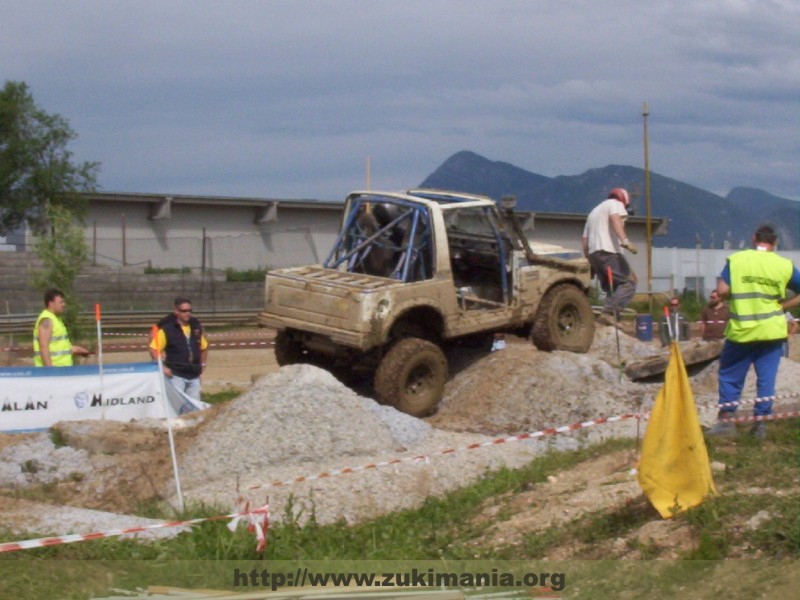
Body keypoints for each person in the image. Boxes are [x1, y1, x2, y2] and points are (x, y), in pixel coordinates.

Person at [708, 225, 800, 439]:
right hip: (771, 332)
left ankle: (727, 422)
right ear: (774, 242)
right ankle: (760, 425)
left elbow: (722, 290)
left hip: (742, 331)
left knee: (731, 376)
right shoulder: (784, 265)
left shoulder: (738, 260)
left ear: (753, 239)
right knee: (766, 378)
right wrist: (783, 306)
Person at [581, 188, 638, 324]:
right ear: (624, 201)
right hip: (609, 251)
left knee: (612, 290)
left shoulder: (593, 213)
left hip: (595, 254)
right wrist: (624, 240)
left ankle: (608, 323)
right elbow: (615, 219)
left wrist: (589, 261)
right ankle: (608, 313)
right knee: (629, 282)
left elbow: (584, 240)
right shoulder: (615, 204)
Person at [149, 297, 208, 401]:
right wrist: (162, 367)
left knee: (195, 407)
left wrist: (203, 364)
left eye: (190, 310)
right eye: (184, 311)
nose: (188, 313)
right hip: (176, 375)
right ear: (176, 311)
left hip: (194, 375)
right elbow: (153, 349)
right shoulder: (167, 329)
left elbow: (204, 347)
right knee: (177, 405)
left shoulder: (195, 327)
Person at [33, 288, 90, 367]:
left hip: (62, 370)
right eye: (61, 302)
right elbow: (43, 347)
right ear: (51, 303)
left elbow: (58, 347)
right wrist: (49, 371)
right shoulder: (47, 320)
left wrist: (76, 349)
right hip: (55, 372)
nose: (64, 304)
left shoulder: (56, 319)